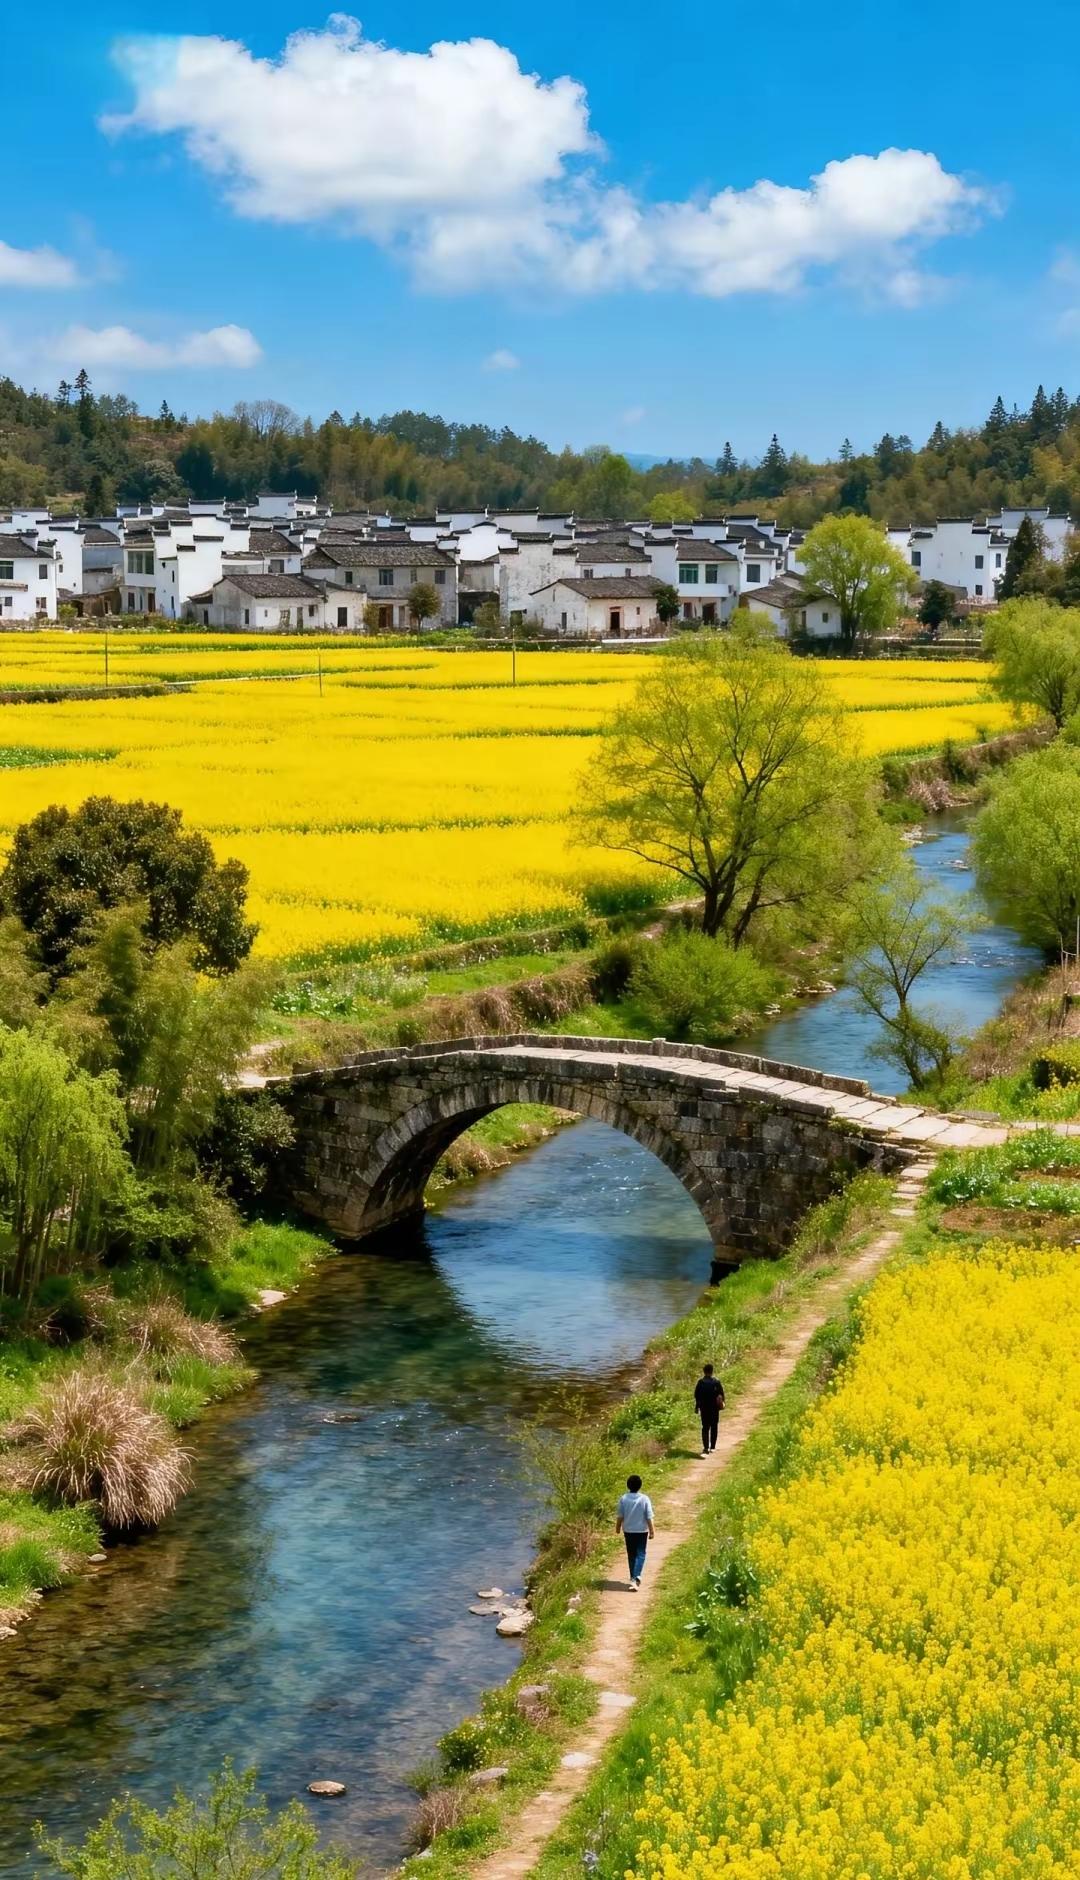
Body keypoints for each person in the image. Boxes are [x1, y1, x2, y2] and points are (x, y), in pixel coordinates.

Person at [615, 1474, 655, 1590]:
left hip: (628, 1530)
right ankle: (636, 1577)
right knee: (641, 1553)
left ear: (628, 1485)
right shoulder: (644, 1499)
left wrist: (617, 1527)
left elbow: (620, 1516)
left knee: (631, 1554)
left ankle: (634, 1578)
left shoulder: (624, 1498)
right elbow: (649, 1516)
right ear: (640, 1486)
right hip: (642, 1531)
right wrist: (652, 1531)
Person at [694, 1362, 725, 1456]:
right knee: (714, 1427)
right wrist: (722, 1404)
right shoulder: (716, 1382)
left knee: (705, 1427)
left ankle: (705, 1448)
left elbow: (697, 1396)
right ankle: (713, 1447)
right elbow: (721, 1395)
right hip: (714, 1409)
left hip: (704, 1408)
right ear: (712, 1371)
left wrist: (697, 1407)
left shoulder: (700, 1382)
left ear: (704, 1372)